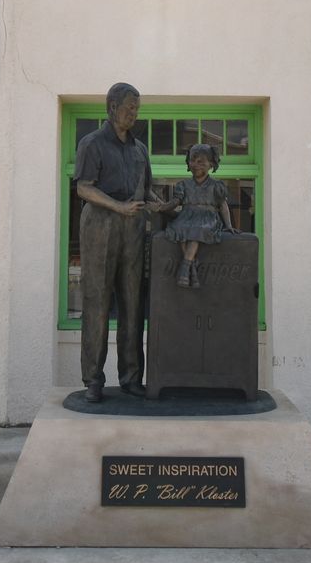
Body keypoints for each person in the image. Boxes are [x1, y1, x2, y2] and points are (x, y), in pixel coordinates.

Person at [73, 82, 158, 401]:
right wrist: (119, 206)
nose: (134, 114)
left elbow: (145, 190)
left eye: (137, 108)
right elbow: (84, 188)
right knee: (97, 302)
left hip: (133, 228)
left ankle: (132, 377)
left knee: (133, 303)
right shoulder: (92, 143)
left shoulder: (140, 149)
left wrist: (161, 205)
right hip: (99, 225)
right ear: (112, 108)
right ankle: (93, 380)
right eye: (129, 108)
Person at [165, 142, 234, 288]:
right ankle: (193, 270)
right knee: (180, 228)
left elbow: (223, 206)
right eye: (192, 161)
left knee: (197, 229)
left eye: (201, 162)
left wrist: (229, 225)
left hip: (207, 217)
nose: (196, 165)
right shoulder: (183, 185)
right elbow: (175, 202)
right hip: (187, 216)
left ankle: (185, 268)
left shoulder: (216, 186)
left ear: (211, 164)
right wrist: (162, 207)